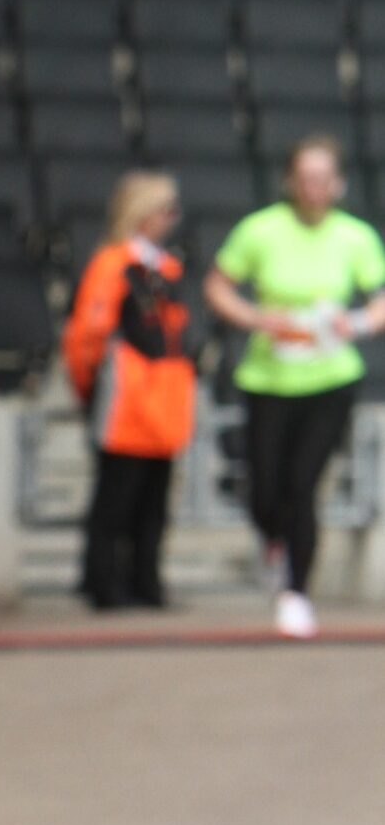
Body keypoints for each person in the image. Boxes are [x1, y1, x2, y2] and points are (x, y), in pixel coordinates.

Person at [205, 134, 385, 638]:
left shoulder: (355, 237)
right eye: (305, 178)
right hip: (268, 378)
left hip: (330, 379)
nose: (314, 187)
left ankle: (296, 593)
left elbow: (380, 299)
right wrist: (256, 318)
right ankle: (273, 541)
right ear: (290, 181)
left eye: (323, 178)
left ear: (338, 184)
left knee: (303, 485)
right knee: (266, 488)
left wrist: (357, 323)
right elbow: (218, 286)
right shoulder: (259, 230)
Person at [62, 170, 196, 611]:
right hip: (126, 402)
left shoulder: (166, 268)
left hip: (164, 402)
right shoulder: (113, 265)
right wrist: (88, 390)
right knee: (115, 498)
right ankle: (102, 582)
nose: (171, 219)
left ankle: (146, 581)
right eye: (164, 210)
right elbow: (87, 338)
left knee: (154, 501)